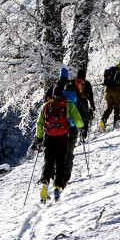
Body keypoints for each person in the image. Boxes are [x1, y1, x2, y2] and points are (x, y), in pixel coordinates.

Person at [33, 75, 83, 203]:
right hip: (62, 137)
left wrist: (39, 139)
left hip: (49, 137)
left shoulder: (46, 105)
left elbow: (39, 123)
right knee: (60, 162)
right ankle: (57, 188)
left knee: (48, 161)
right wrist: (81, 127)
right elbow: (77, 119)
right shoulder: (67, 105)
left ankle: (44, 183)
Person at [100, 58, 120, 131]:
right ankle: (116, 125)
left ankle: (103, 119)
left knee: (109, 107)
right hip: (116, 91)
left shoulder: (112, 70)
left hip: (107, 90)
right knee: (116, 108)